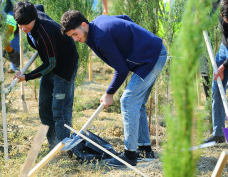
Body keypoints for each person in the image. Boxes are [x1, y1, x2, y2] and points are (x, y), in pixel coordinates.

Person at [60, 10, 167, 167]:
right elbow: (125, 18)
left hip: (152, 57)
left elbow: (121, 69)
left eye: (75, 34)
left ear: (83, 25)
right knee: (137, 103)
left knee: (128, 101)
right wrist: (134, 41)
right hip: (149, 54)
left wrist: (109, 93)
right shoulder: (95, 25)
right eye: (72, 37)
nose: (76, 39)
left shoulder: (101, 36)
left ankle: (130, 156)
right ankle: (146, 150)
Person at [13, 2, 79, 147]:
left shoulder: (44, 32)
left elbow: (51, 64)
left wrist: (27, 76)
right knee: (44, 108)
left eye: (26, 25)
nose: (23, 28)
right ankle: (52, 144)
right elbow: (39, 7)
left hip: (63, 68)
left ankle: (63, 147)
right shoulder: (31, 15)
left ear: (34, 18)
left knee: (59, 109)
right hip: (49, 64)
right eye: (20, 25)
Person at [204, 0, 228, 144]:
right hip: (224, 47)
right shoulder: (219, 2)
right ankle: (219, 133)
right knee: (217, 88)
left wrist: (223, 66)